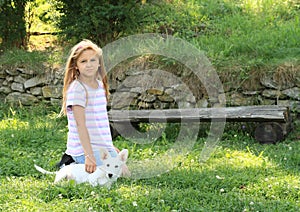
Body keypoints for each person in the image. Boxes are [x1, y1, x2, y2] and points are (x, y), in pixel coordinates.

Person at [58, 39, 129, 176]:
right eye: (83, 61)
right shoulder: (77, 89)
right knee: (113, 175)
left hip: (101, 147)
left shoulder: (100, 85)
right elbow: (80, 125)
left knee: (125, 173)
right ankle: (72, 164)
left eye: (92, 60)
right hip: (83, 149)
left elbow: (98, 122)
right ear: (76, 65)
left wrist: (110, 147)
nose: (89, 65)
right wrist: (89, 156)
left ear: (99, 63)